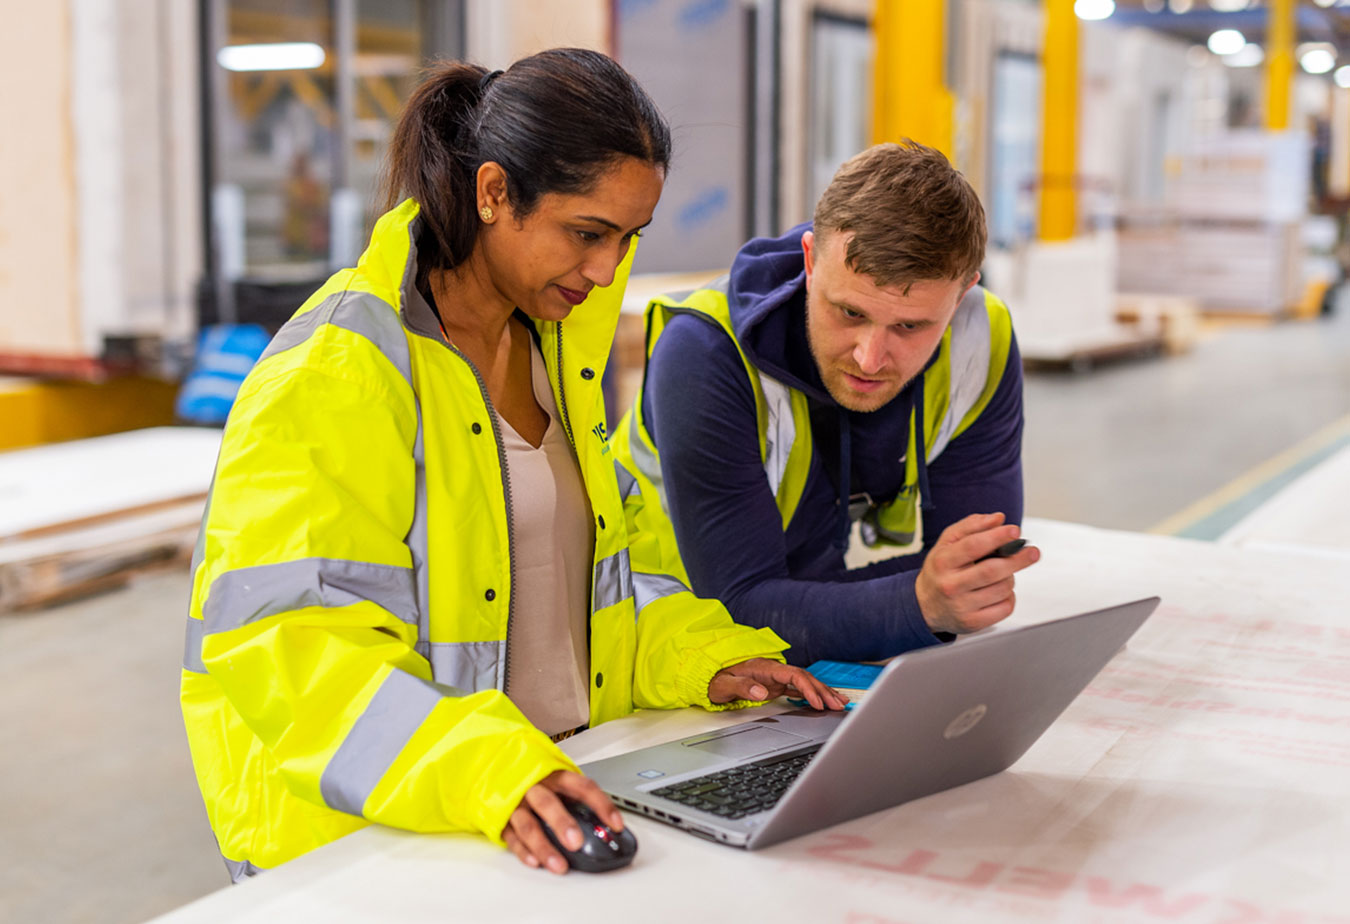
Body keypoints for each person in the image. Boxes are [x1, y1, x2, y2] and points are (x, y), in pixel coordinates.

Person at [180, 49, 843, 884]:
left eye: (627, 239)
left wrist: (703, 661)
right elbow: (293, 649)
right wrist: (488, 770)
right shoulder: (338, 372)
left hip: (539, 806)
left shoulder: (559, 356)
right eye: (587, 232)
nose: (607, 271)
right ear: (495, 193)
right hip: (369, 846)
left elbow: (596, 592)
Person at [613, 141, 1039, 667]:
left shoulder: (982, 339)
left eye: (910, 326)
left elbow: (974, 580)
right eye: (849, 312)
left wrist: (913, 602)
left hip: (800, 658)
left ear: (962, 294)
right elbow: (740, 608)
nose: (870, 358)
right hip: (658, 651)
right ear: (810, 261)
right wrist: (916, 603)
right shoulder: (703, 355)